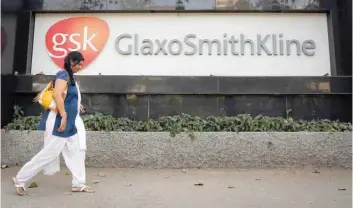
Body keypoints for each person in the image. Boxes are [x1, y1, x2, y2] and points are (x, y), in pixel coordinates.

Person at [11, 51, 94, 195]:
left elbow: (68, 96)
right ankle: (21, 178)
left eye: (82, 64)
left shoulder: (71, 77)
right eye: (79, 63)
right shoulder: (63, 75)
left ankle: (78, 183)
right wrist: (63, 115)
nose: (81, 66)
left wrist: (77, 105)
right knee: (50, 153)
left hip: (71, 123)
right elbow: (57, 94)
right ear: (71, 62)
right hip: (60, 122)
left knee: (78, 151)